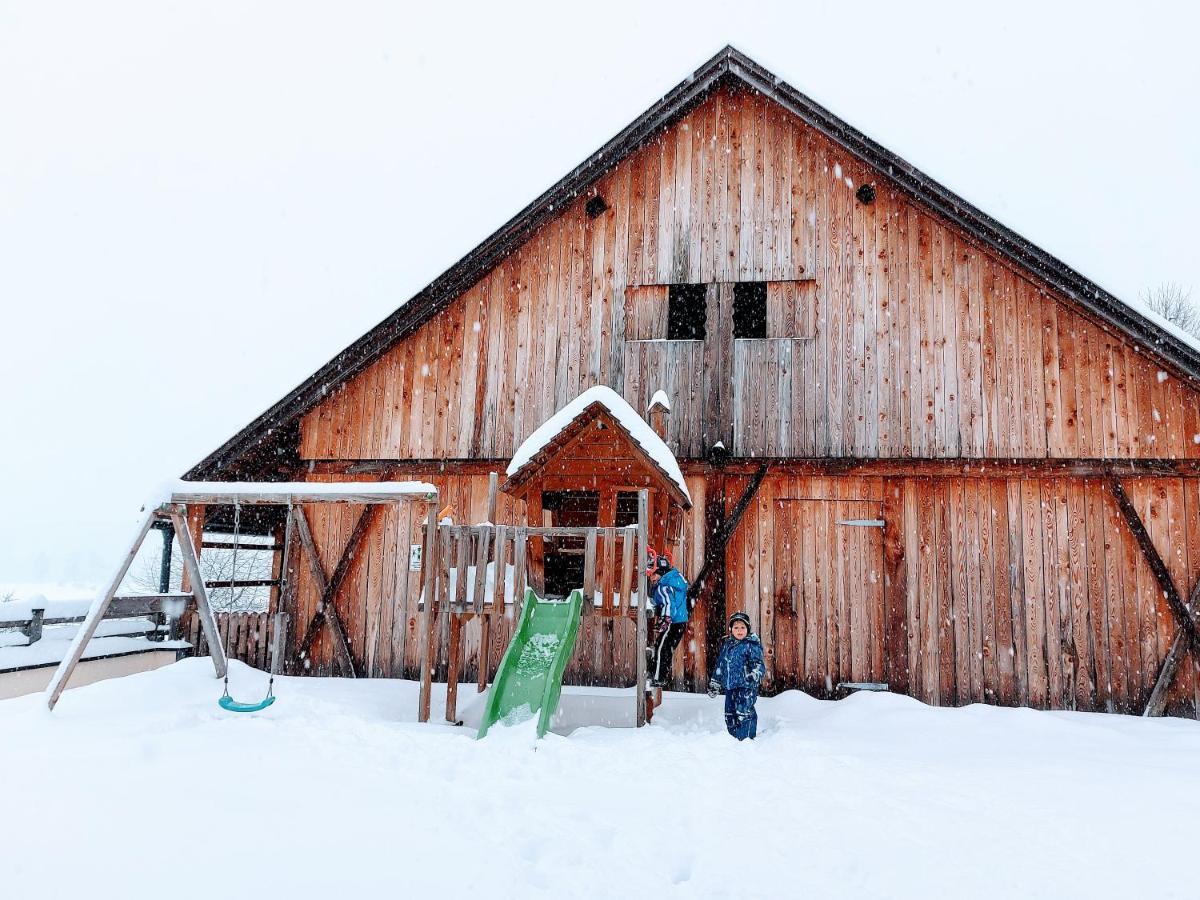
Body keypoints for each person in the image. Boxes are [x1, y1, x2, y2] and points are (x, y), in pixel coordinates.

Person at [708, 611, 765, 740]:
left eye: (743, 628)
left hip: (746, 686)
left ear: (748, 629)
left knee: (744, 711)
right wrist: (715, 682)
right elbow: (720, 665)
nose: (739, 631)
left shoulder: (751, 645)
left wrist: (754, 674)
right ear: (731, 630)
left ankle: (747, 739)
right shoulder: (727, 645)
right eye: (736, 628)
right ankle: (733, 738)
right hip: (730, 686)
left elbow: (759, 664)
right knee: (730, 713)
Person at [646, 550, 689, 688]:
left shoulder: (663, 587)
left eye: (653, 574)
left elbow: (669, 604)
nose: (651, 578)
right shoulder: (674, 581)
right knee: (665, 648)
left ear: (661, 573)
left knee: (661, 649)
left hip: (672, 622)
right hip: (680, 622)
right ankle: (658, 674)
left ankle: (658, 677)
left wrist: (665, 619)